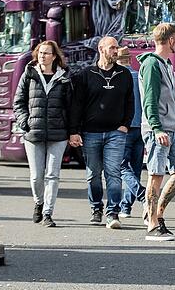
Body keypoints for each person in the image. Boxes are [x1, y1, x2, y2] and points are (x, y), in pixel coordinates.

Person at [70, 36, 135, 229]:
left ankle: (113, 212)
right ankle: (96, 208)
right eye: (112, 48)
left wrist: (125, 124)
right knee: (93, 174)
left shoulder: (124, 74)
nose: (116, 51)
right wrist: (74, 131)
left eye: (117, 48)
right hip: (91, 133)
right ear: (101, 49)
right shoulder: (85, 74)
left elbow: (130, 102)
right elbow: (76, 105)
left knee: (114, 173)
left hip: (116, 132)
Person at [138, 23, 175, 241]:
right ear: (170, 40)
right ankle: (152, 224)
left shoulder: (166, 64)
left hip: (173, 128)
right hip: (159, 130)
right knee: (156, 175)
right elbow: (149, 100)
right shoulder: (152, 65)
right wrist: (157, 128)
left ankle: (156, 214)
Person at [13, 40, 72, 228]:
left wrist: (71, 130)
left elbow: (71, 107)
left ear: (54, 56)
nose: (42, 56)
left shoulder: (64, 77)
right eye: (40, 53)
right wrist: (25, 122)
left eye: (47, 53)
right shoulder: (29, 74)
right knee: (36, 176)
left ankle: (48, 212)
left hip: (58, 134)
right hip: (33, 132)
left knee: (52, 175)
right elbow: (18, 101)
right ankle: (39, 203)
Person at [117, 47, 146, 218]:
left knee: (120, 166)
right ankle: (125, 207)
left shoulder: (120, 78)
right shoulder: (140, 76)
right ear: (130, 60)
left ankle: (142, 195)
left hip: (124, 127)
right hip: (141, 127)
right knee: (135, 169)